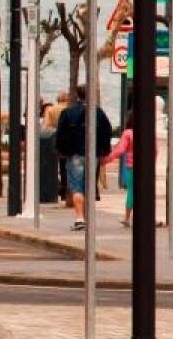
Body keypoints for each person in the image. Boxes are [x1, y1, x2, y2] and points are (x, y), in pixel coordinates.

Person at [55, 84, 112, 230]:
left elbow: (61, 134)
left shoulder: (68, 112)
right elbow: (107, 131)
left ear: (77, 95)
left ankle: (79, 218)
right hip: (93, 154)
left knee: (76, 187)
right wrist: (104, 151)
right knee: (89, 186)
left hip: (74, 154)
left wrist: (62, 151)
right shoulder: (98, 112)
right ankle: (87, 218)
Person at [104, 110, 135, 227]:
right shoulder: (148, 132)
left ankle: (127, 218)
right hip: (147, 167)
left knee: (131, 192)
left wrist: (108, 159)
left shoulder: (128, 133)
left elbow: (120, 150)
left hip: (132, 166)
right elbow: (155, 149)